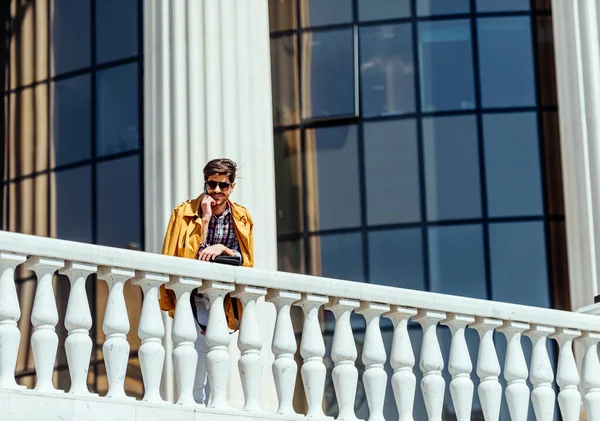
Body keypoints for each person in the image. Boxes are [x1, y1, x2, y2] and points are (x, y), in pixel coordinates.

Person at [158, 158, 254, 405]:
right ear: (205, 183)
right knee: (195, 345)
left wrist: (223, 248)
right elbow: (178, 256)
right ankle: (195, 403)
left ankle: (214, 405)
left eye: (223, 185)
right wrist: (207, 219)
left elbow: (246, 260)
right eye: (212, 185)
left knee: (217, 349)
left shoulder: (241, 217)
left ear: (232, 186)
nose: (217, 191)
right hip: (192, 294)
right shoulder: (184, 213)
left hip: (221, 297)